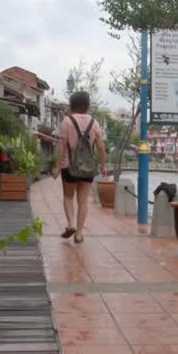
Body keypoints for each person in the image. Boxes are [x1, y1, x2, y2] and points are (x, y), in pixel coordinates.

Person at [53, 91, 107, 244]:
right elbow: (101, 147)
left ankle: (70, 224)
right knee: (83, 201)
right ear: (87, 105)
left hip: (68, 166)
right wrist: (102, 165)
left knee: (68, 196)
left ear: (72, 104)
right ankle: (78, 234)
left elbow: (62, 145)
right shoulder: (95, 123)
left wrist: (57, 167)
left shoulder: (67, 121)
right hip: (88, 168)